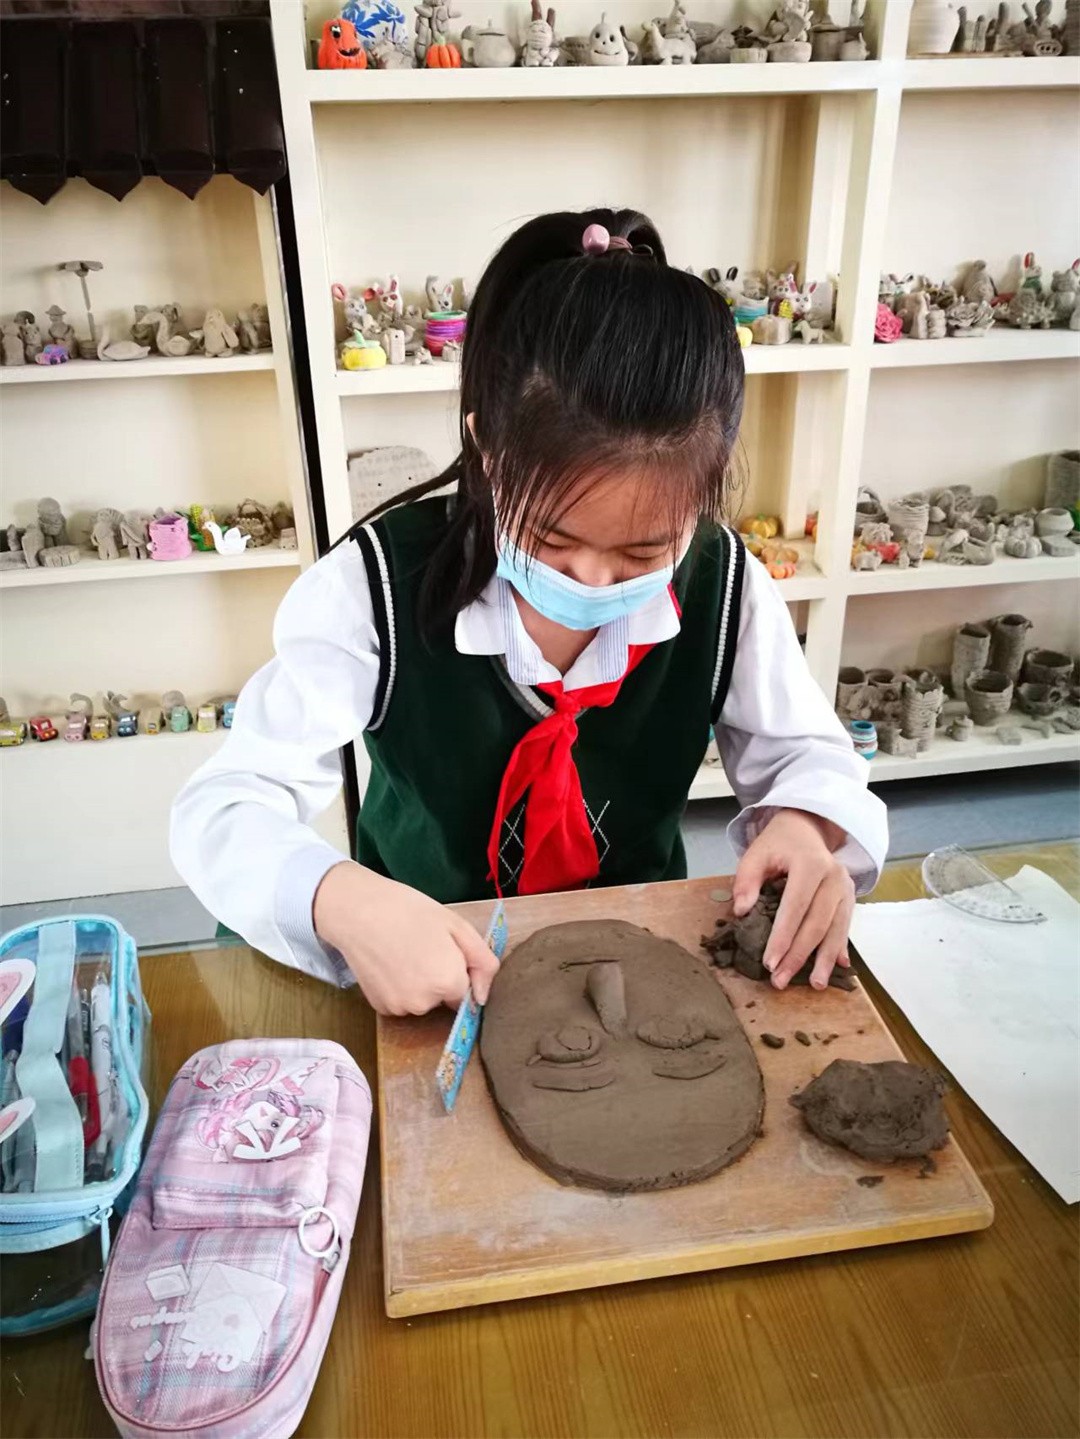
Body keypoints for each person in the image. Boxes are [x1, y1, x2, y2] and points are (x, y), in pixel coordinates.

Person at [171, 208, 886, 1017]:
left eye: (643, 552)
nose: (592, 579)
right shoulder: (374, 589)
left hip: (639, 963)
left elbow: (811, 756)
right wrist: (336, 897)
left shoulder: (724, 586)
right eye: (552, 539)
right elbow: (223, 807)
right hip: (433, 972)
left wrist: (806, 823)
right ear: (487, 450)